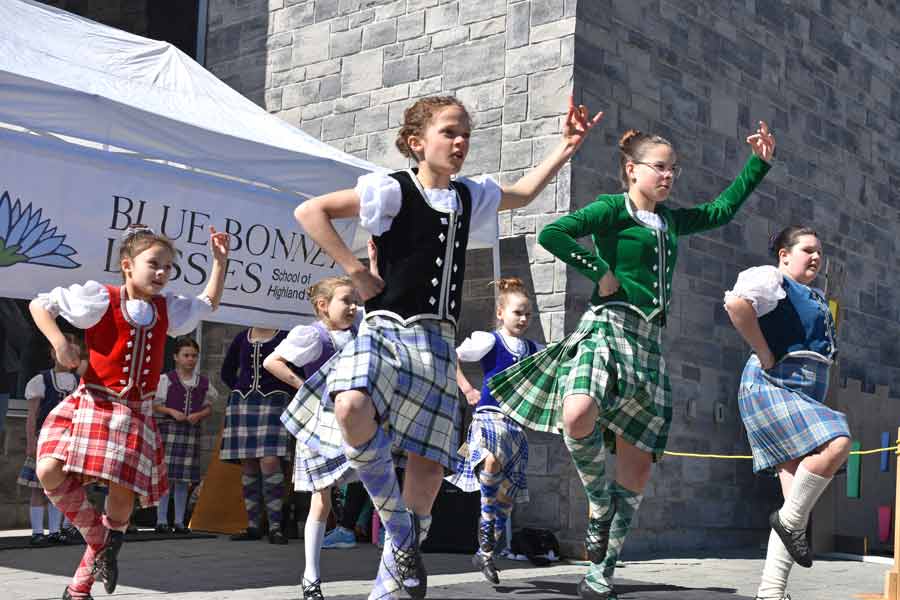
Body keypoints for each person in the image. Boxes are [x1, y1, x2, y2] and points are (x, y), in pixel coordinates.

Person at [288, 94, 601, 600]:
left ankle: (393, 576)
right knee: (349, 405)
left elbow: (521, 193)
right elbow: (311, 211)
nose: (460, 142)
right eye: (449, 132)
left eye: (465, 135)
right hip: (386, 329)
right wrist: (353, 269)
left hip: (437, 340)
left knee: (429, 466)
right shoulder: (390, 190)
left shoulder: (468, 195)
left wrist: (564, 149)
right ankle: (402, 534)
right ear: (417, 143)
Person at [488, 123, 776, 599]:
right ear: (631, 170)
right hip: (607, 325)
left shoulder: (671, 221)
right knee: (577, 412)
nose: (669, 176)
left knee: (636, 471)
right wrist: (598, 272)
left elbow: (722, 210)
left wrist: (758, 163)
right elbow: (553, 234)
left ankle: (602, 572)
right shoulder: (610, 209)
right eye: (660, 167)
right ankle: (597, 504)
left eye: (673, 169)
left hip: (649, 343)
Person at [30, 224, 229, 600]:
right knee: (48, 469)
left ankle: (79, 588)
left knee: (121, 500)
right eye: (154, 264)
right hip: (95, 401)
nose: (162, 273)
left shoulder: (166, 307)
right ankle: (100, 539)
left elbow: (207, 304)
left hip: (135, 412)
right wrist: (59, 342)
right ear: (127, 265)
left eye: (169, 268)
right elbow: (40, 305)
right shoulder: (100, 298)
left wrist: (220, 263)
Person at [724, 226, 850, 600]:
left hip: (802, 392)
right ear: (783, 254)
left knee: (796, 506)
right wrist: (763, 351)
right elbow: (736, 304)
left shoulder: (814, 294)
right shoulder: (771, 278)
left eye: (819, 252)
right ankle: (787, 525)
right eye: (807, 250)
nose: (816, 257)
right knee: (838, 440)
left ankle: (770, 593)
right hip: (772, 385)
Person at [265, 275, 360, 600]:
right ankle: (311, 576)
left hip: (357, 422)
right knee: (322, 499)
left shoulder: (359, 331)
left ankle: (396, 563)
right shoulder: (313, 336)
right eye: (346, 301)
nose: (352, 307)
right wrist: (304, 386)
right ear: (323, 306)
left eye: (354, 301)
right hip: (321, 423)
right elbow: (272, 361)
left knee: (381, 487)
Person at [448, 277, 540, 584]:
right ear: (501, 313)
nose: (524, 319)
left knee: (507, 497)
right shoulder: (488, 341)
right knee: (490, 459)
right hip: (490, 416)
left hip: (516, 425)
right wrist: (466, 388)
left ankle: (485, 552)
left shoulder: (533, 349)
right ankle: (485, 525)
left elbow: (558, 360)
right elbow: (452, 356)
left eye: (528, 314)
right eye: (518, 313)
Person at [220, 325, 294, 544]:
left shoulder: (286, 336)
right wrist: (240, 390)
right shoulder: (243, 337)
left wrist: (287, 392)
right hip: (243, 403)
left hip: (275, 403)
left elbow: (297, 371)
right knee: (250, 464)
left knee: (270, 462)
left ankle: (275, 527)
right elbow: (227, 371)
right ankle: (253, 526)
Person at [17, 333, 83, 546]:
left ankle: (55, 530)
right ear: (54, 353)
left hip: (70, 440)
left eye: (74, 352)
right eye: (65, 351)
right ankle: (37, 531)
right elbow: (32, 416)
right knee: (38, 487)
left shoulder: (79, 382)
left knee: (61, 487)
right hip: (45, 439)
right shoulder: (41, 380)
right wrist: (31, 442)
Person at [152, 336, 217, 534]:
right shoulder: (166, 380)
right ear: (176, 357)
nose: (190, 359)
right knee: (166, 478)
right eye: (186, 355)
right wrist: (171, 411)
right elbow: (155, 405)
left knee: (183, 480)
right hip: (169, 431)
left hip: (190, 432)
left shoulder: (203, 383)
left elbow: (210, 407)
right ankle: (161, 520)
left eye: (194, 356)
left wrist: (199, 414)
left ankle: (179, 521)